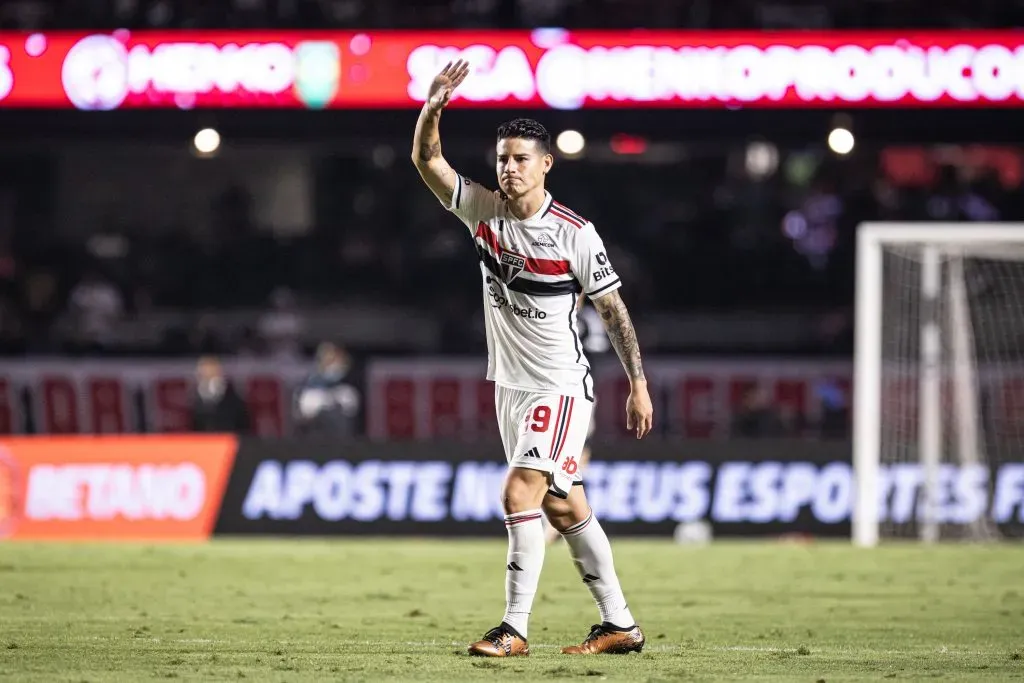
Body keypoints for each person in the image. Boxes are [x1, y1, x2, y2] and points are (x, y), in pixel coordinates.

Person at [411, 60, 654, 658]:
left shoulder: (575, 233)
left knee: (519, 493)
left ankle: (513, 628)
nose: (509, 168)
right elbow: (427, 161)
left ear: (546, 164)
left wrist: (638, 384)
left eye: (521, 158)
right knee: (564, 503)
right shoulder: (482, 212)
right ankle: (618, 623)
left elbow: (614, 311)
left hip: (560, 385)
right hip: (511, 386)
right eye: (502, 158)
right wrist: (433, 108)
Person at [293, 341, 362, 437]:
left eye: (338, 361)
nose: (334, 366)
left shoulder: (347, 392)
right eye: (329, 361)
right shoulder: (308, 394)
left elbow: (351, 414)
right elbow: (303, 419)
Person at [189, 356, 251, 433]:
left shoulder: (234, 400)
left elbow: (242, 427)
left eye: (211, 373)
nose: (208, 376)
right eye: (204, 373)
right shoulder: (194, 402)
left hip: (228, 439)